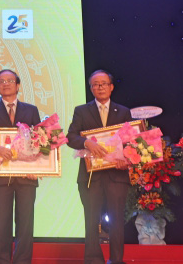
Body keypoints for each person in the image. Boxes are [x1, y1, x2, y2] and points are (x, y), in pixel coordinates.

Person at [0, 69, 41, 264]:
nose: (6, 84)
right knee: (1, 224)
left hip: (27, 177)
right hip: (0, 176)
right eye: (1, 81)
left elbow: (40, 141)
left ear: (18, 85)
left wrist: (36, 169)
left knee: (25, 224)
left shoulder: (31, 110)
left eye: (10, 80)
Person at [66, 69, 132, 264]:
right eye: (95, 84)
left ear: (111, 87)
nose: (100, 87)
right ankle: (93, 260)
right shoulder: (81, 110)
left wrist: (126, 158)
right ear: (91, 88)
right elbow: (71, 137)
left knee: (117, 221)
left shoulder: (123, 111)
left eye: (103, 83)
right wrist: (86, 142)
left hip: (116, 175)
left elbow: (130, 142)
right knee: (91, 220)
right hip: (90, 175)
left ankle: (117, 260)